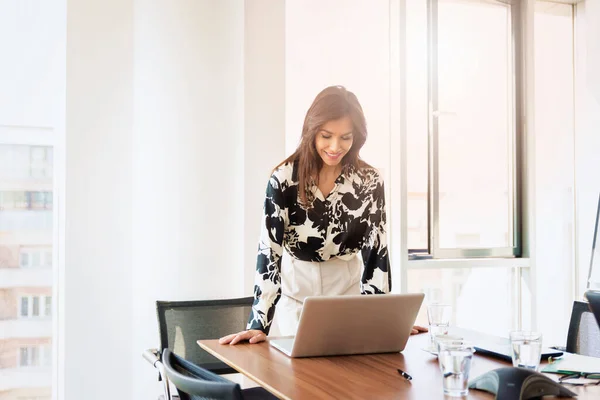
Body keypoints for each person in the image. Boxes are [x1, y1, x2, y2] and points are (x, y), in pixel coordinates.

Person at [220, 86, 427, 346]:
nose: (334, 147)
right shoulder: (284, 179)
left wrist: (384, 319)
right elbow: (269, 253)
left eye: (345, 137)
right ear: (312, 130)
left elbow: (377, 254)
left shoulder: (369, 181)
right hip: (296, 302)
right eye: (326, 135)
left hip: (348, 299)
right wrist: (258, 324)